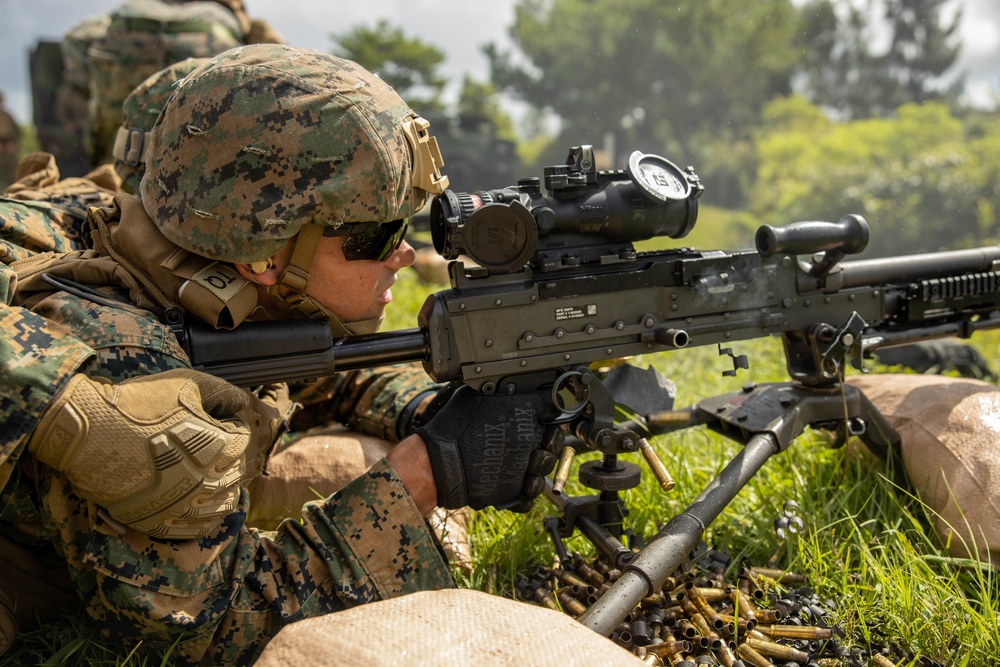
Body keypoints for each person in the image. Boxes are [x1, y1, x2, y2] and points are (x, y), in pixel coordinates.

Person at [2, 44, 557, 665]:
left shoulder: (171, 244)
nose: (404, 253)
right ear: (264, 256)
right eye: (376, 235)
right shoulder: (133, 379)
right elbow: (210, 627)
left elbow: (305, 370)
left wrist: (429, 408)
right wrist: (425, 473)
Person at [0, 92, 20, 189]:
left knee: (13, 176)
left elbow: (16, 133)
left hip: (9, 151)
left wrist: (12, 145)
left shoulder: (7, 116)